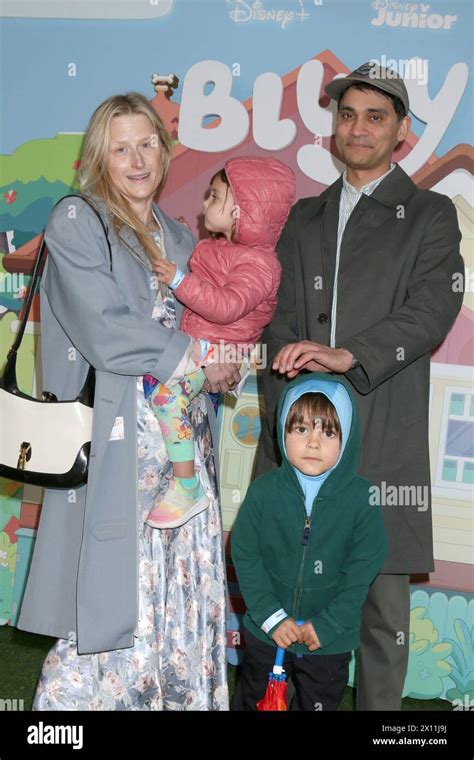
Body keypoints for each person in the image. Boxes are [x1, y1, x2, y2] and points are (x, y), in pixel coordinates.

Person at [17, 92, 240, 710]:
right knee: (107, 612)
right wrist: (196, 354)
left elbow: (219, 327)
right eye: (121, 148)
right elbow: (106, 330)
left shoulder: (181, 237)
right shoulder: (77, 221)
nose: (137, 160)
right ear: (99, 157)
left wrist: (228, 364)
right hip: (118, 464)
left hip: (186, 465)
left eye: (148, 144)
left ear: (165, 153)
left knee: (177, 609)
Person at [255, 62, 464, 710]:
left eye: (376, 116)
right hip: (300, 450)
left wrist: (349, 355)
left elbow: (432, 310)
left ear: (401, 130)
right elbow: (275, 316)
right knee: (288, 615)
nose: (358, 128)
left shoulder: (431, 215)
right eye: (347, 115)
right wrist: (287, 398)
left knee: (381, 620)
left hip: (382, 448)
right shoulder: (303, 218)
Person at [143, 156, 295, 529]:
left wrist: (178, 277)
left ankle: (187, 485)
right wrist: (183, 244)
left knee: (164, 399)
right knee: (160, 394)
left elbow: (227, 306)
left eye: (214, 197)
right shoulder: (224, 248)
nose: (205, 204)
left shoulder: (261, 264)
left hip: (222, 350)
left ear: (242, 212)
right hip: (204, 346)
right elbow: (211, 273)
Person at [232, 373, 387, 710]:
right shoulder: (264, 491)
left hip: (327, 641)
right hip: (266, 632)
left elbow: (362, 570)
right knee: (253, 701)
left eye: (328, 432)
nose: (313, 443)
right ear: (283, 431)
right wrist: (272, 617)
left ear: (347, 439)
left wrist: (328, 625)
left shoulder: (362, 499)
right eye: (301, 429)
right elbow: (245, 554)